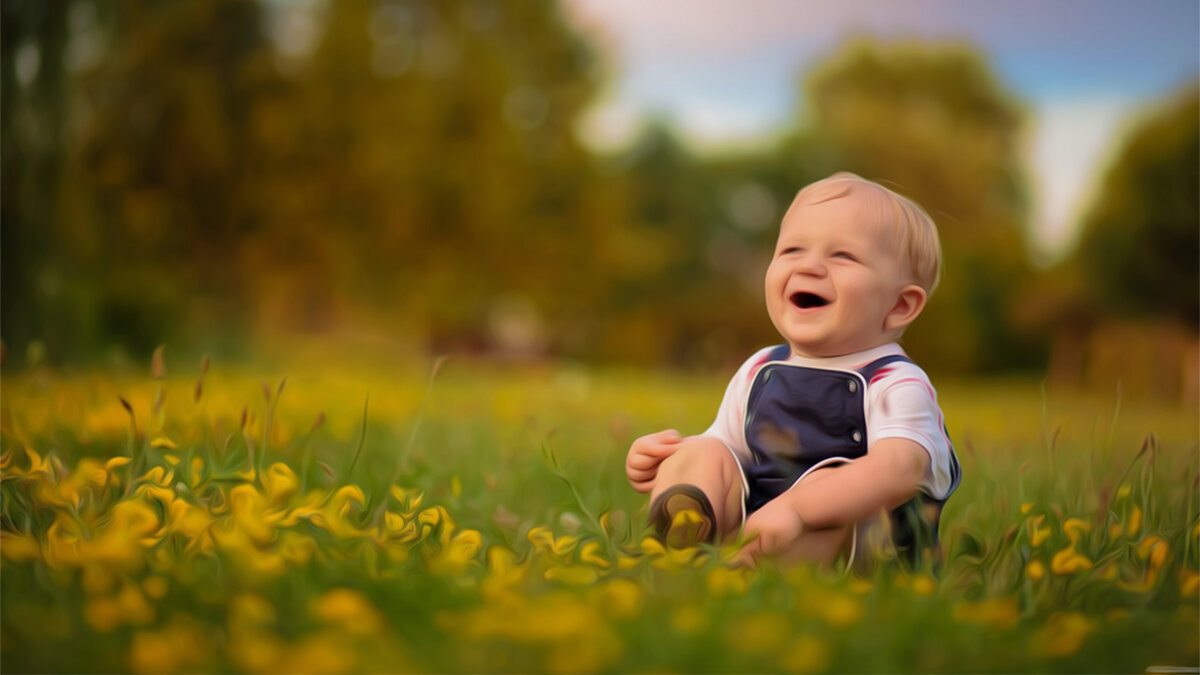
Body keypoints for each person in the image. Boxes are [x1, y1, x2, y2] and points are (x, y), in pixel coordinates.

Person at [625, 172, 961, 568]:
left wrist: (800, 509)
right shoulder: (760, 368)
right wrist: (668, 460)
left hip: (863, 548)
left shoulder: (894, 382)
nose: (810, 267)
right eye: (792, 251)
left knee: (831, 484)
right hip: (764, 523)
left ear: (900, 306)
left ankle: (746, 566)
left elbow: (900, 468)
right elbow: (732, 450)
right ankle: (687, 521)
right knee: (704, 450)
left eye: (843, 256)